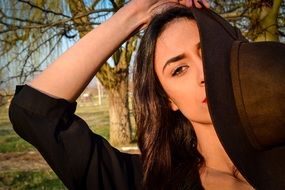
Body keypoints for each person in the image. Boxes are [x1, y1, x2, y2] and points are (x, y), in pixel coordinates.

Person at [10, 0, 279, 189]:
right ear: (168, 99)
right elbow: (34, 112)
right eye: (179, 69)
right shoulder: (145, 182)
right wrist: (138, 11)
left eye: (207, 53)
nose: (204, 74)